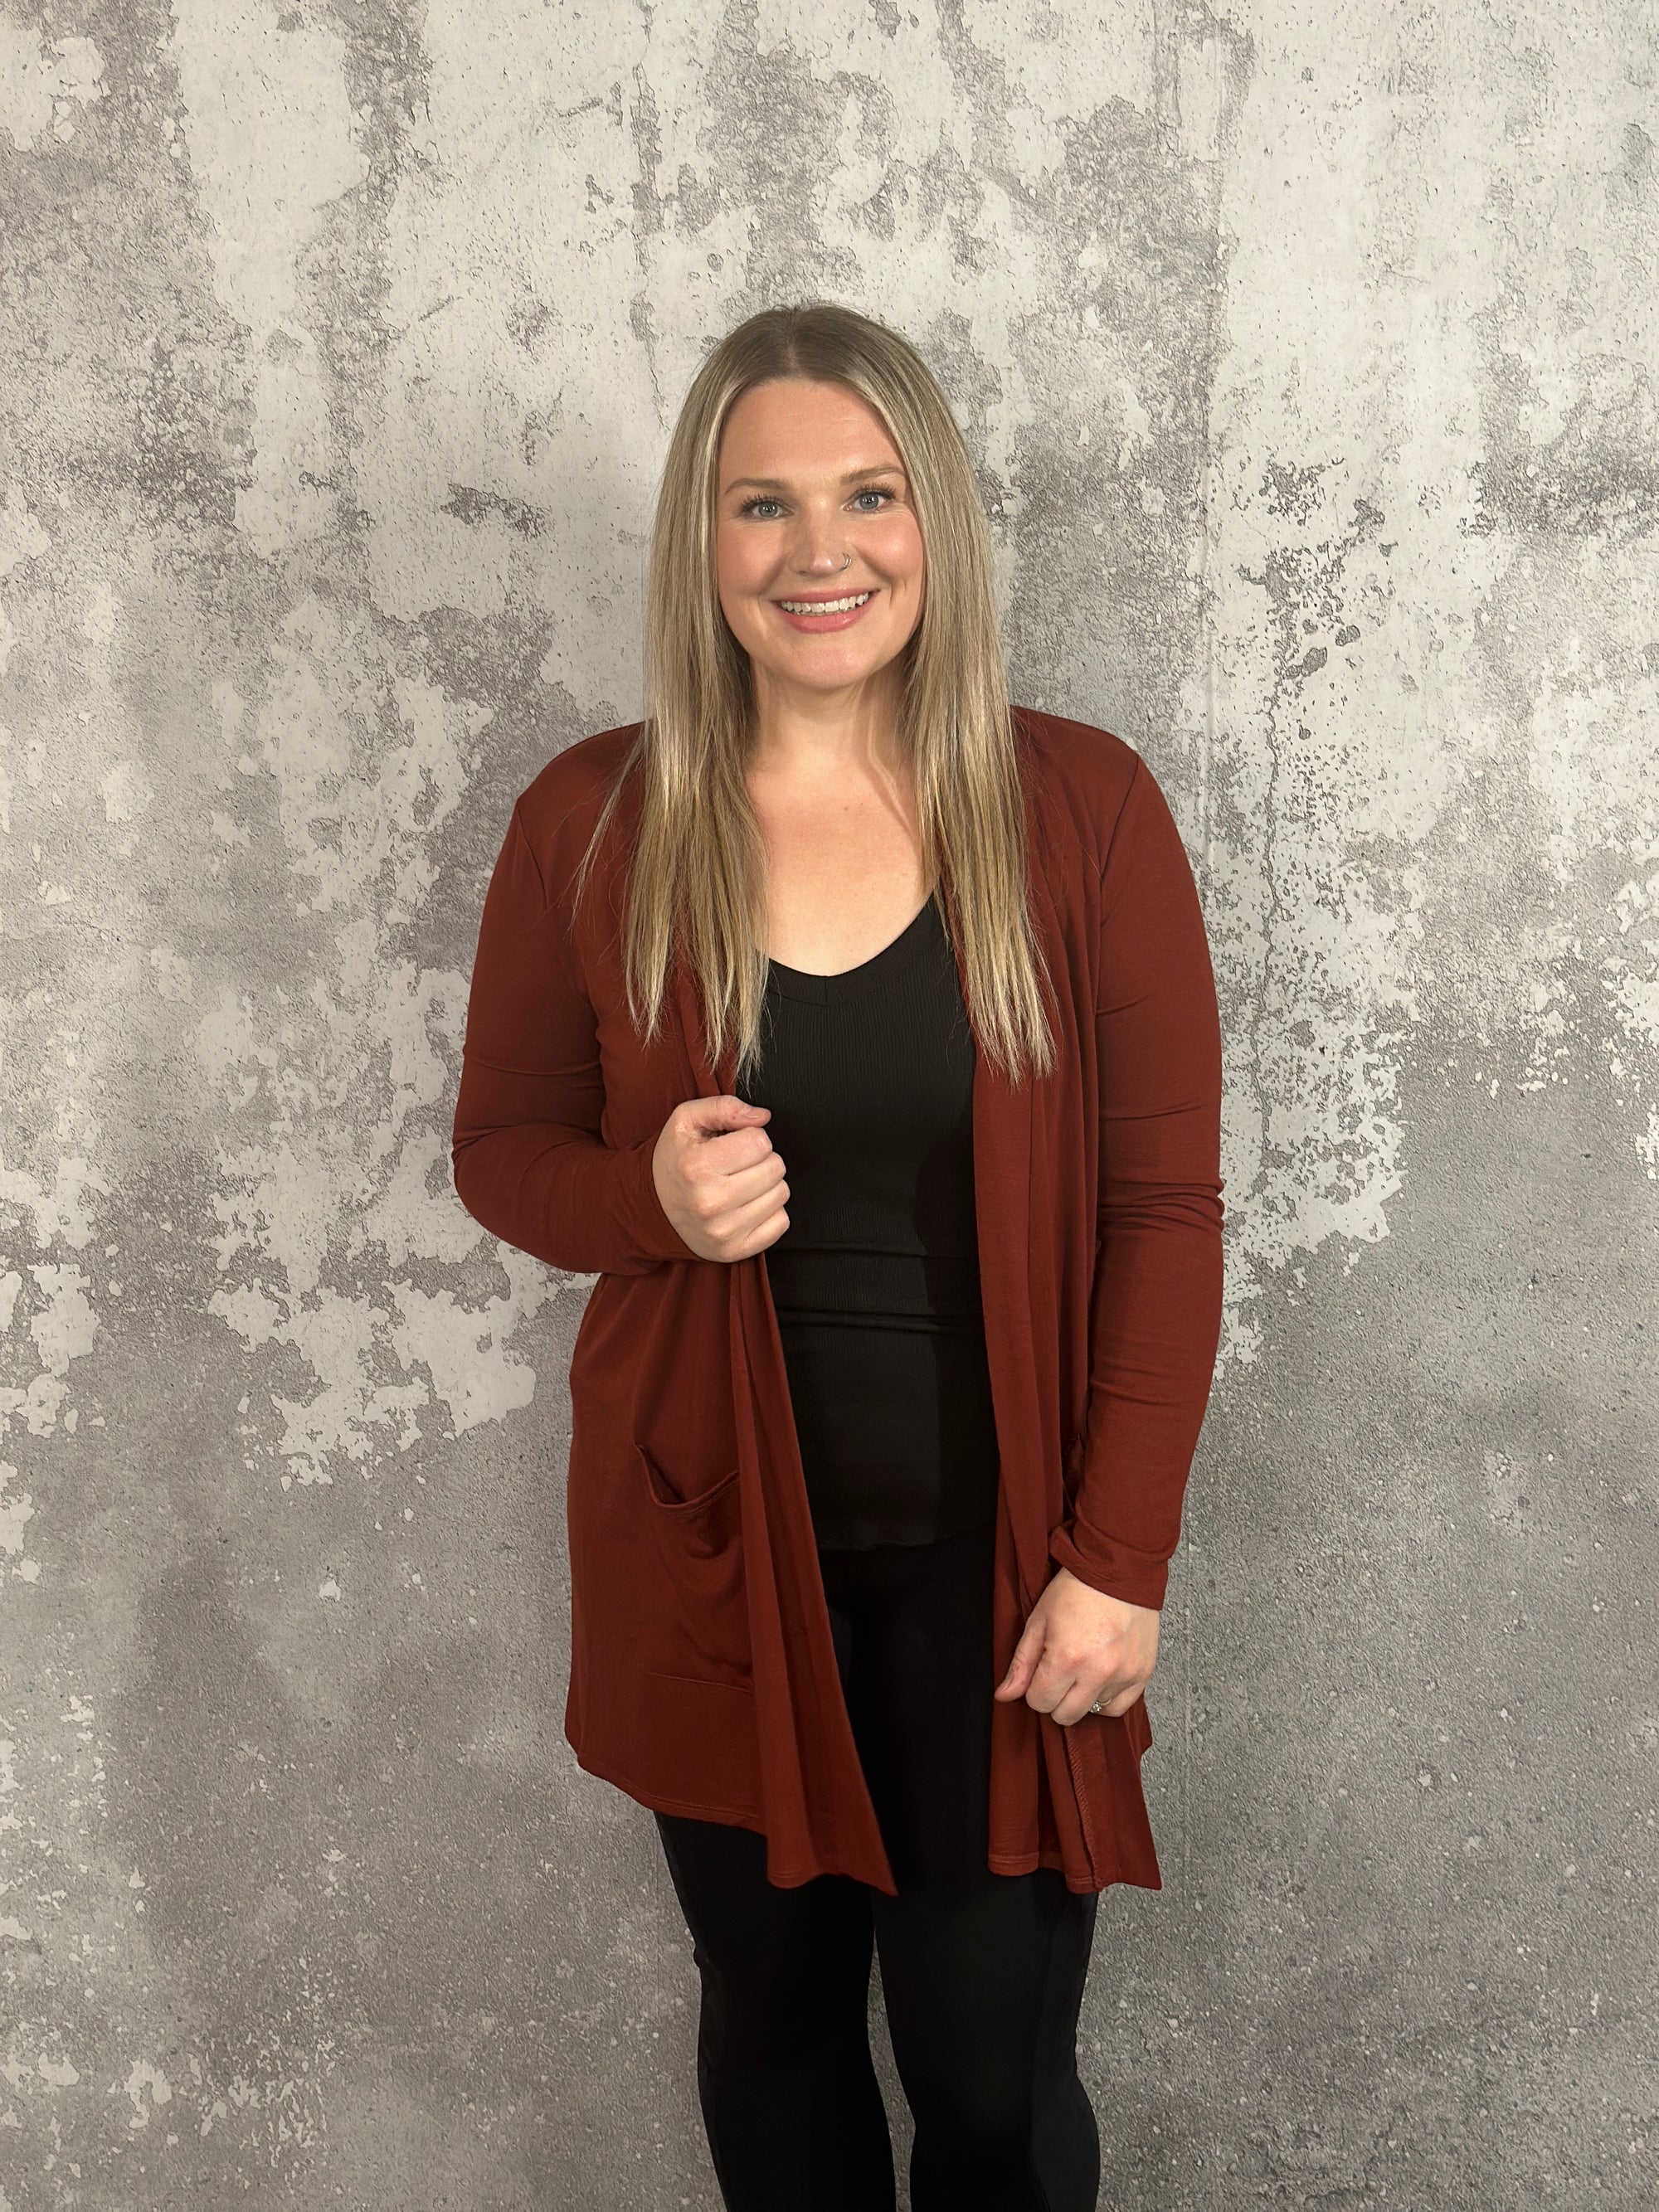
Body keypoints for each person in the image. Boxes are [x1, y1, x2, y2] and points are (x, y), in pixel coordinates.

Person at [452, 301, 1225, 2211]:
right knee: (777, 2035)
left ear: (932, 517)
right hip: (711, 1549)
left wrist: (1119, 1558)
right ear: (701, 541)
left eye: (869, 495)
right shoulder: (593, 820)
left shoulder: (1081, 811)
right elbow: (502, 1149)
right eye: (763, 503)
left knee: (989, 2079)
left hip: (1004, 1566)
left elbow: (1163, 1211)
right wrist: (646, 1201)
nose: (821, 549)